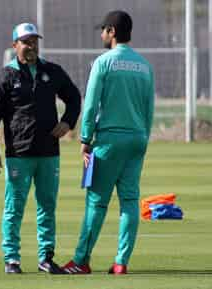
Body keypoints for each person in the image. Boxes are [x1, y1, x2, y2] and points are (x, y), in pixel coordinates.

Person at [62, 11, 155, 275]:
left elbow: (90, 104)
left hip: (109, 141)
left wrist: (84, 138)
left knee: (97, 202)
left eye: (103, 30)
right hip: (137, 138)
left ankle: (81, 260)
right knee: (129, 201)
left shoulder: (103, 62)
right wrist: (143, 137)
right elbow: (149, 109)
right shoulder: (144, 65)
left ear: (112, 31)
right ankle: (121, 262)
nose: (101, 34)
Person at [0, 23, 81, 274]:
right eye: (26, 42)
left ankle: (46, 257)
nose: (32, 46)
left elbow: (74, 97)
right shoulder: (5, 76)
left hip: (49, 151)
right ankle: (11, 259)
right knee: (14, 208)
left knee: (47, 206)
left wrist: (67, 122)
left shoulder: (52, 71)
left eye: (34, 41)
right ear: (14, 45)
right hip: (19, 153)